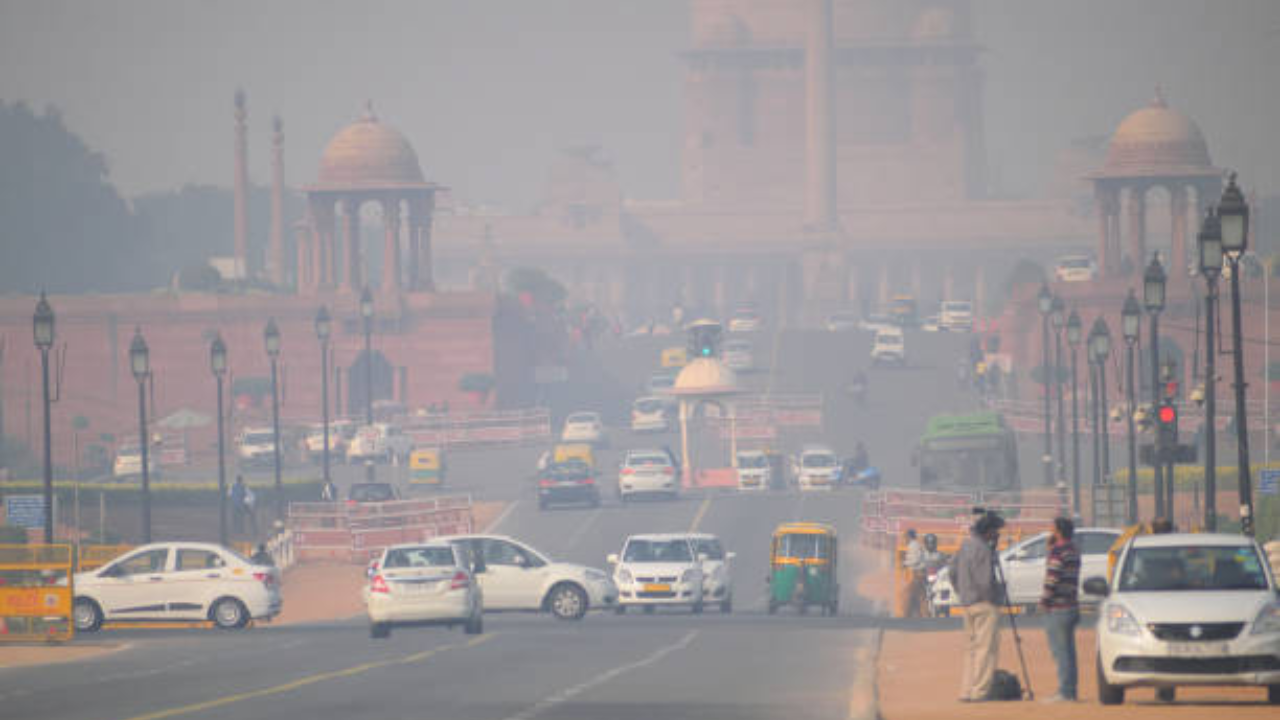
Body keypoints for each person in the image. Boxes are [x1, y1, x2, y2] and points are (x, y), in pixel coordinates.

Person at [953, 511, 1004, 702]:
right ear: (989, 531)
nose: (997, 534)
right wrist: (992, 598)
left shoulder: (965, 546)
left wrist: (962, 592)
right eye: (995, 531)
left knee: (971, 650)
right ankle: (980, 692)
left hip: (967, 604)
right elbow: (985, 582)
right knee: (986, 650)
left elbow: (952, 571)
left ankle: (966, 691)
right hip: (984, 604)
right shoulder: (983, 549)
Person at [1039, 516, 1081, 703]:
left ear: (1058, 531)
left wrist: (1044, 601)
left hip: (1058, 607)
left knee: (1060, 652)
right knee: (1069, 652)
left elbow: (1052, 579)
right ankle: (1070, 690)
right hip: (1072, 605)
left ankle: (1065, 692)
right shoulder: (1073, 550)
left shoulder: (1058, 551)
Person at [903, 529, 927, 618]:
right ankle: (919, 615)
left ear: (909, 536)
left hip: (918, 574)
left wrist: (905, 563)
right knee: (918, 596)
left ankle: (908, 616)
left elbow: (915, 560)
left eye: (905, 537)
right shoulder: (915, 545)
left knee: (909, 594)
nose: (904, 539)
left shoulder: (913, 545)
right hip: (919, 574)